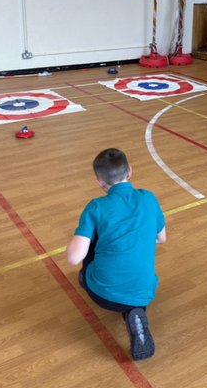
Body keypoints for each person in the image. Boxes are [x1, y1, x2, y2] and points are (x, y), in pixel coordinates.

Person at [66, 148, 166, 362]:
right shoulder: (149, 197)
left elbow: (74, 258)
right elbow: (162, 238)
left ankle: (90, 280)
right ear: (130, 170)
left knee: (91, 243)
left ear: (99, 182)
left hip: (104, 296)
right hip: (145, 293)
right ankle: (135, 313)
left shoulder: (96, 206)